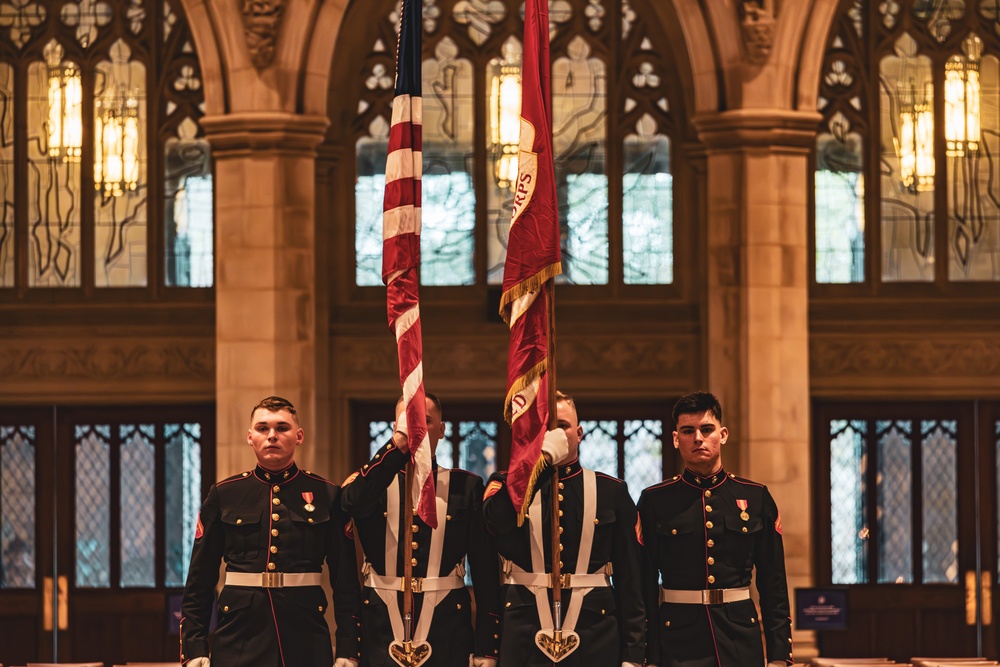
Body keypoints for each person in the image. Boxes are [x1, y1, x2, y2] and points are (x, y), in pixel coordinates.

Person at [181, 396, 361, 667]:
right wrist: (194, 647)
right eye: (263, 428)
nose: (272, 436)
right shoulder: (225, 494)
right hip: (239, 634)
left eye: (282, 428)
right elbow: (199, 579)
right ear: (250, 437)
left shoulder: (327, 494)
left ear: (299, 436)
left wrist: (348, 648)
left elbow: (345, 579)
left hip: (306, 633)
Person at [482, 391, 645, 667]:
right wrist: (542, 462)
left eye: (562, 426)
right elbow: (496, 523)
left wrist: (634, 653)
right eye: (545, 428)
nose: (553, 434)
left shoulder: (612, 491)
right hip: (524, 637)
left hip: (595, 637)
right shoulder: (506, 485)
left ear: (579, 433)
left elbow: (632, 578)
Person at [341, 393, 501, 667]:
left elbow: (485, 571)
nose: (417, 428)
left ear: (441, 430)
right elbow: (351, 502)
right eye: (408, 420)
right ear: (395, 428)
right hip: (380, 629)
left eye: (425, 421)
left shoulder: (467, 486)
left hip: (447, 629)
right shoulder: (368, 484)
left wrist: (487, 647)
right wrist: (398, 444)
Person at [638, 391, 792, 667]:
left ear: (722, 434)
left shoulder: (755, 497)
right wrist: (648, 655)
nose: (698, 438)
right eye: (688, 431)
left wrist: (780, 655)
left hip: (740, 636)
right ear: (675, 439)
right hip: (678, 640)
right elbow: (644, 585)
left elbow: (773, 583)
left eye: (706, 429)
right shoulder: (655, 501)